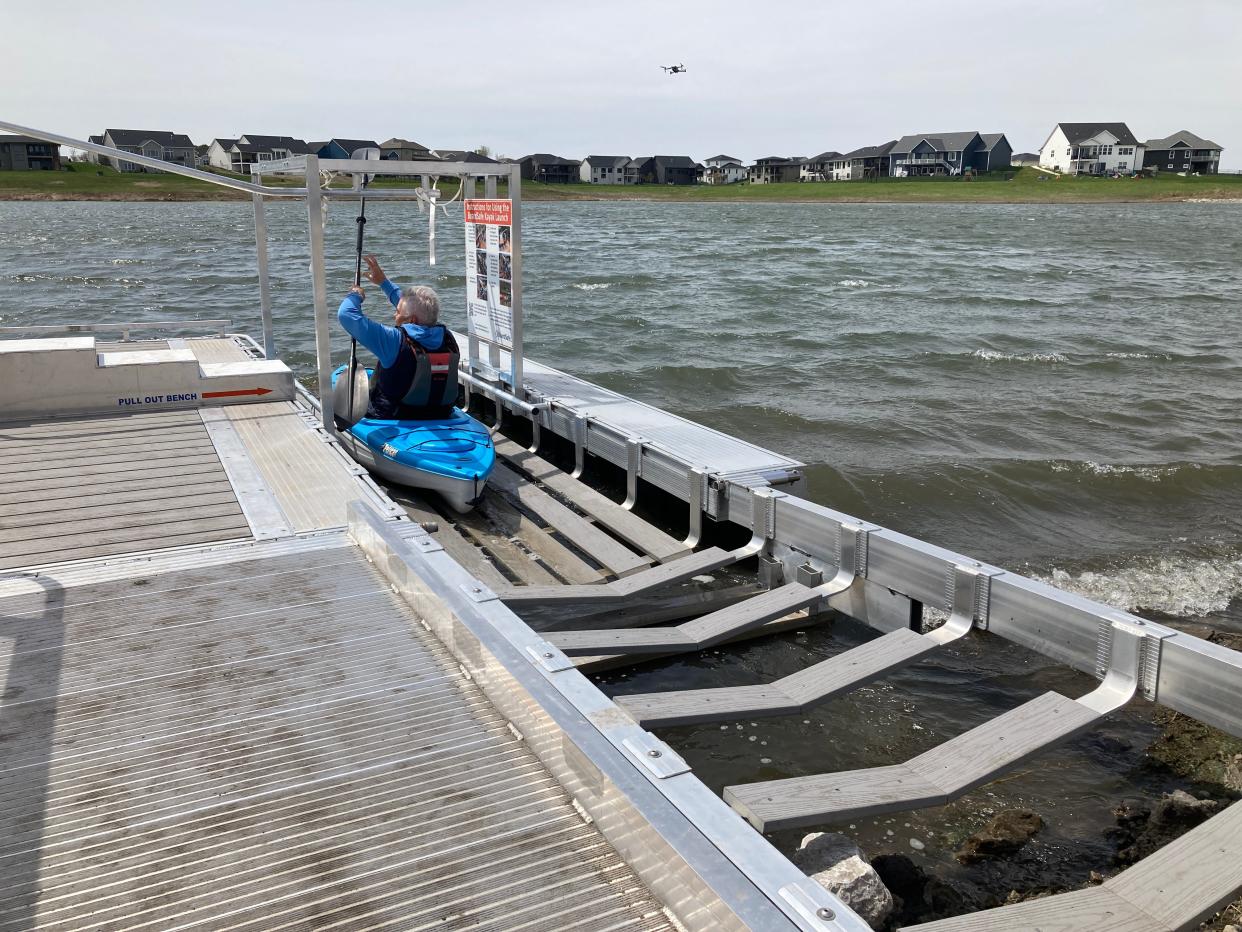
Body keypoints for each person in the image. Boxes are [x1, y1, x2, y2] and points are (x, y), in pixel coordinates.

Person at [337, 254, 460, 421]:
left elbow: (346, 315)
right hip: (440, 413)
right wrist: (383, 283)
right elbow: (415, 309)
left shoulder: (393, 340)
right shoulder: (447, 337)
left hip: (394, 415)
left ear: (411, 320)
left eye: (398, 312)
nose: (395, 314)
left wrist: (355, 296)